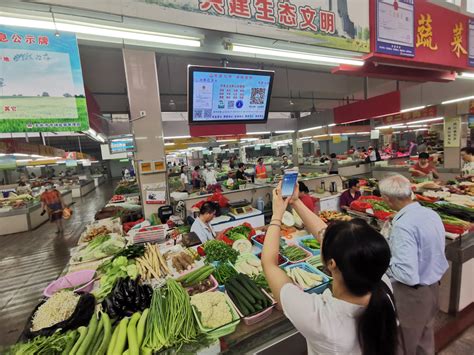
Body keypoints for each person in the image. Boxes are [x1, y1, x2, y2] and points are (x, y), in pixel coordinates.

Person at [261, 181, 397, 355]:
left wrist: (276, 215)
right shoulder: (383, 285)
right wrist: (296, 201)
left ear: (332, 263)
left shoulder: (321, 318)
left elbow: (269, 264)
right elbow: (324, 235)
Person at [379, 174, 448, 355]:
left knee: (404, 343)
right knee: (424, 341)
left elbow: (406, 275)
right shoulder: (430, 214)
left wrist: (382, 263)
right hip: (432, 288)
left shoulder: (403, 226)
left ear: (387, 199)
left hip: (412, 296)